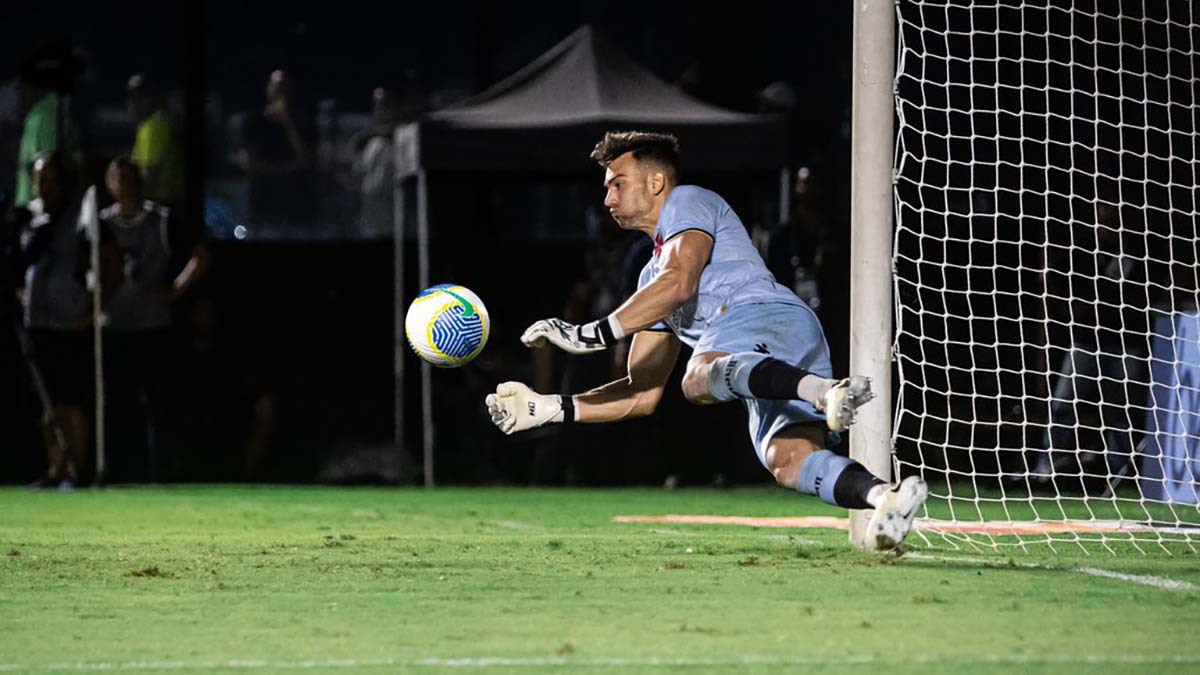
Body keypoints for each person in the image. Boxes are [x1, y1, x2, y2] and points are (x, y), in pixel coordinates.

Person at [484, 131, 928, 550]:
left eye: (617, 183)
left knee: (695, 380)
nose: (608, 198)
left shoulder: (687, 200)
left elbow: (680, 282)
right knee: (787, 460)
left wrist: (589, 334)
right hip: (768, 358)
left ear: (656, 181)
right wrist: (549, 408)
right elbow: (641, 393)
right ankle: (886, 498)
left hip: (759, 316)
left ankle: (825, 392)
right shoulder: (648, 277)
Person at [84, 156, 208, 482]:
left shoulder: (162, 219)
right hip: (114, 325)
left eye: (130, 178)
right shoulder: (100, 224)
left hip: (154, 326)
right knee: (114, 405)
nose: (125, 185)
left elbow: (200, 256)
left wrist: (174, 291)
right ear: (109, 184)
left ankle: (161, 474)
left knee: (158, 404)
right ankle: (113, 472)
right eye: (118, 179)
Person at [16, 152, 91, 488]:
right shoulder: (26, 217)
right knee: (48, 402)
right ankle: (55, 468)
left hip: (70, 320)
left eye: (50, 179)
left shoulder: (78, 217)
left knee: (70, 401)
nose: (44, 186)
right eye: (39, 179)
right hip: (38, 321)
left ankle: (76, 469)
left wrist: (90, 310)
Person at [236, 69, 315, 226]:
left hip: (297, 207)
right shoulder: (254, 121)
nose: (281, 93)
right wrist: (288, 168)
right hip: (263, 204)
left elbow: (307, 161)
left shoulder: (303, 122)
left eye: (285, 89)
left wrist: (288, 123)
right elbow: (250, 164)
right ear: (268, 89)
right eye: (277, 87)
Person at [127, 74, 183, 206]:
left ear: (152, 98)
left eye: (139, 97)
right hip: (160, 202)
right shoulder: (148, 125)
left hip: (162, 203)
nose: (133, 103)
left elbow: (149, 176)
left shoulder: (155, 126)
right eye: (132, 97)